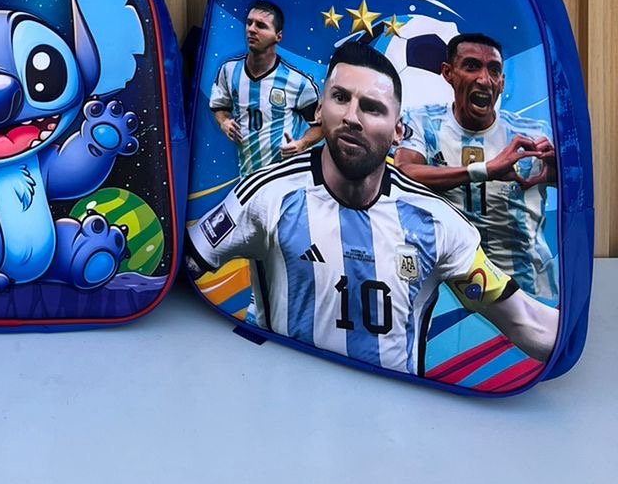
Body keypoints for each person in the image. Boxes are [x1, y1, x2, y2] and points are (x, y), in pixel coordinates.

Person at [187, 41, 559, 376]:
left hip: (396, 416)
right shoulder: (267, 195)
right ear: (319, 109)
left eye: (371, 107)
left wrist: (572, 339)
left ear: (398, 131)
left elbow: (526, 322)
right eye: (340, 98)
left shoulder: (438, 223)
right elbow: (183, 267)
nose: (352, 117)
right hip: (283, 402)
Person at [395, 32, 557, 300]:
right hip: (447, 290)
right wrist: (484, 170)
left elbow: (581, 192)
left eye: (493, 70)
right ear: (448, 73)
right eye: (471, 66)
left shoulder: (535, 133)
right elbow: (404, 172)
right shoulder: (422, 122)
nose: (484, 79)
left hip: (527, 287)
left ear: (501, 82)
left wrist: (560, 176)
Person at [208, 1, 321, 176]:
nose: (251, 29)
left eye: (261, 25)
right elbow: (219, 106)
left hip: (284, 178)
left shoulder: (297, 82)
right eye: (249, 23)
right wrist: (224, 122)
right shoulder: (229, 71)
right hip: (247, 178)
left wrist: (302, 144)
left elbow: (321, 126)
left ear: (278, 36)